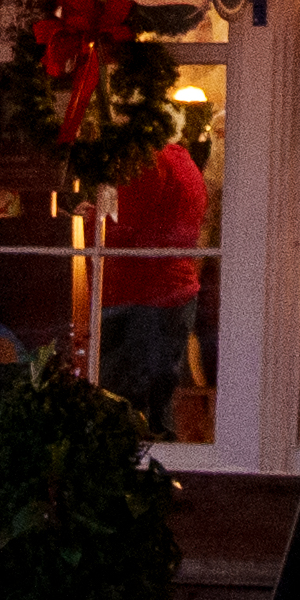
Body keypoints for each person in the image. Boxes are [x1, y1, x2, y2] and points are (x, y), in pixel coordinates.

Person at [94, 137, 214, 434]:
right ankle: (164, 464)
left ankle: (136, 471)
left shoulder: (144, 163)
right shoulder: (183, 161)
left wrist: (87, 219)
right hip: (175, 292)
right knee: (160, 397)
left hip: (137, 294)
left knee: (125, 405)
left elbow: (126, 229)